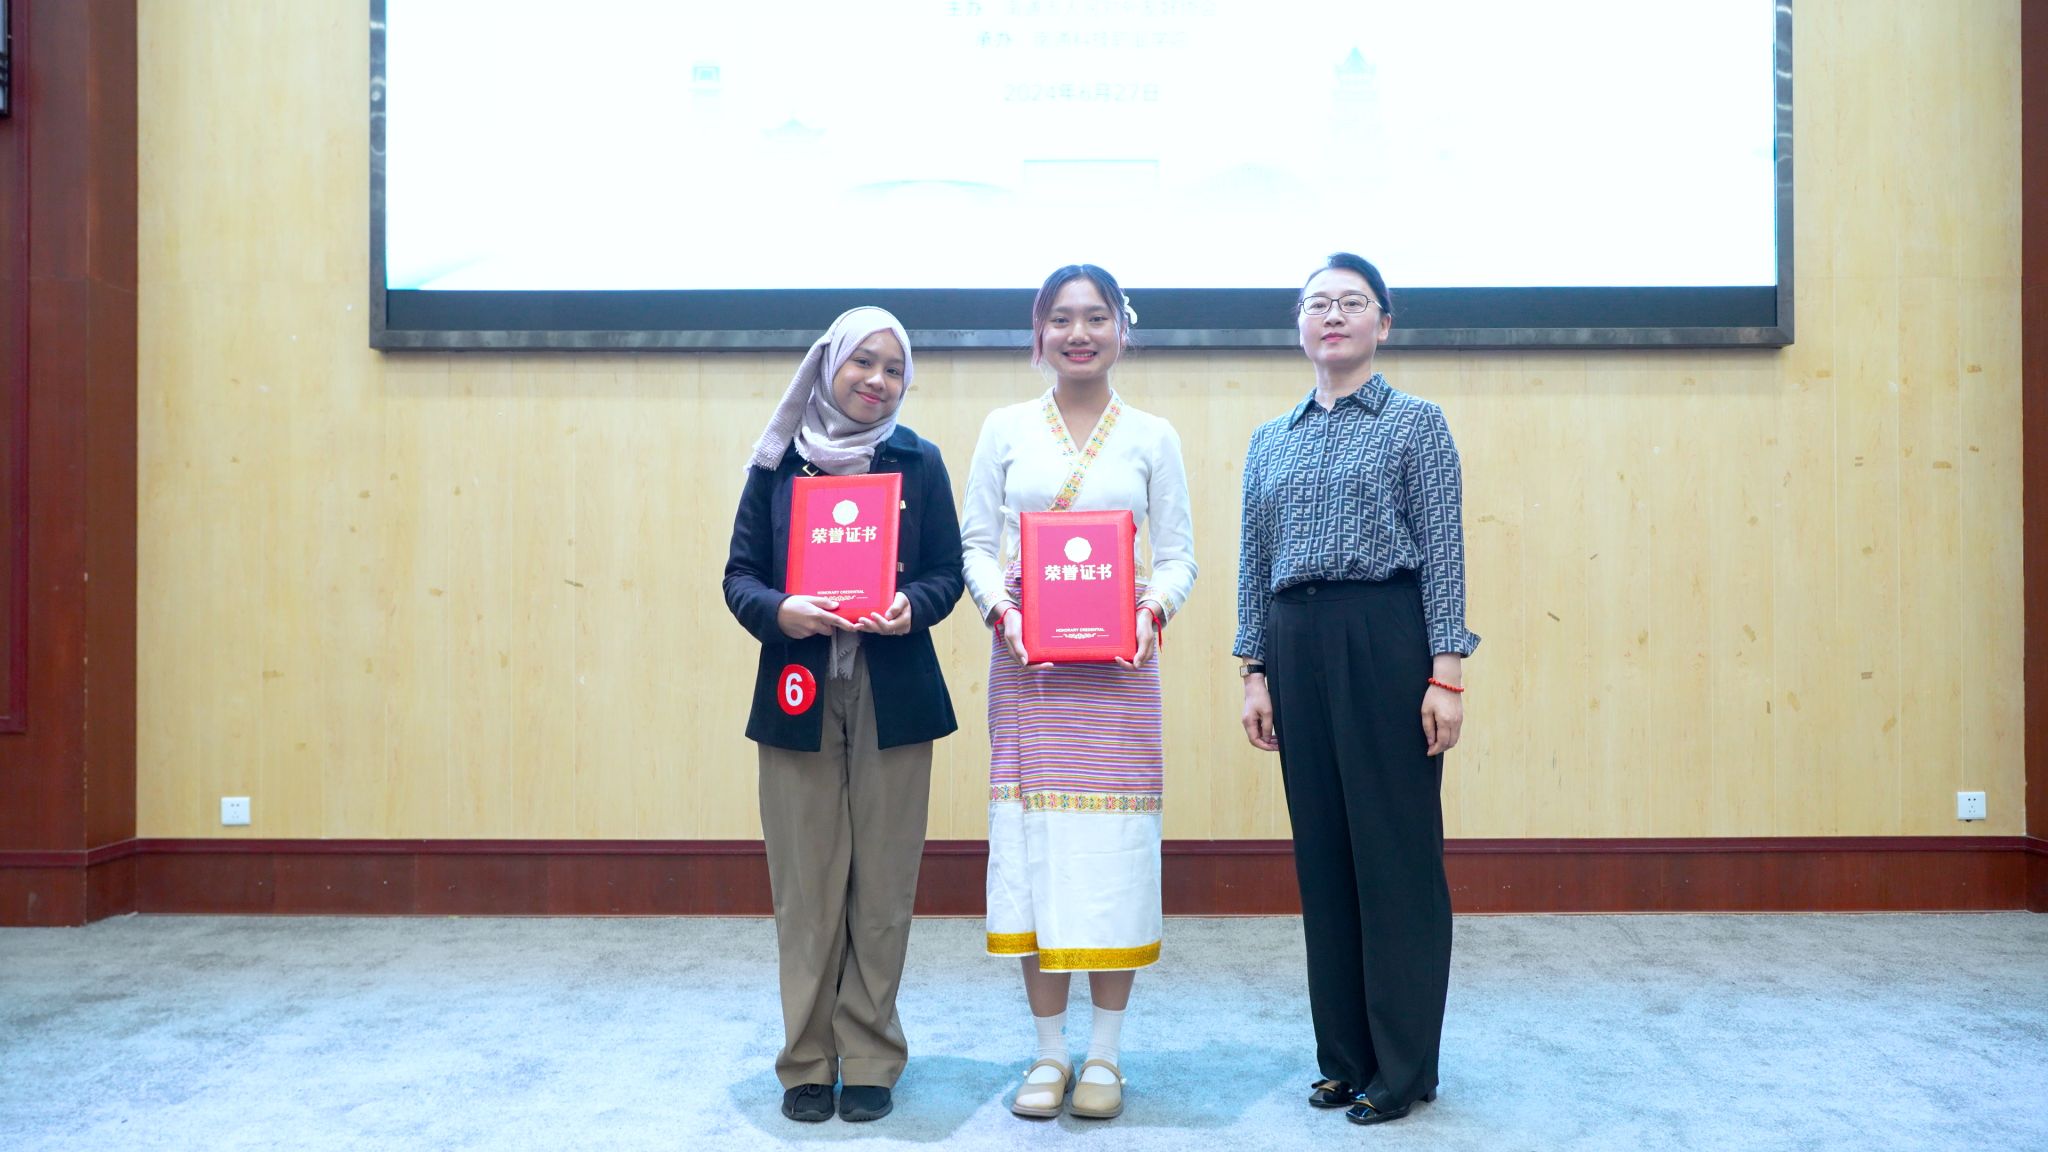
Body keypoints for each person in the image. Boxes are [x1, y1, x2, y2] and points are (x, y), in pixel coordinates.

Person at [1235, 253, 1479, 1126]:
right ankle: (1343, 1058)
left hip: (1383, 634)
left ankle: (1402, 1066)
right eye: (1317, 303)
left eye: (1351, 302)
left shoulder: (1416, 424)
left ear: (1383, 322)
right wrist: (1254, 671)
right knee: (1324, 855)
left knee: (1395, 856)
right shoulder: (1270, 438)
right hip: (1293, 641)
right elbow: (1254, 561)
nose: (1332, 315)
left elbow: (1442, 551)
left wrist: (1445, 673)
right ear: (1299, 324)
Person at [959, 264, 1197, 1121]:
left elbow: (1177, 555)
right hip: (1029, 668)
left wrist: (1151, 611)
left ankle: (1104, 1054)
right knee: (1035, 852)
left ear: (1121, 329)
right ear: (1039, 332)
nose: (1079, 333)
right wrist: (1003, 613)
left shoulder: (1153, 437)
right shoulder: (1004, 428)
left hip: (1120, 674)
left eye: (1095, 317)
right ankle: (1049, 1052)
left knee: (1111, 853)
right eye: (1061, 318)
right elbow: (975, 544)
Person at [722, 306, 964, 1124]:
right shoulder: (778, 462)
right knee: (807, 887)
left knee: (885, 884)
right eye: (863, 362)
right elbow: (739, 577)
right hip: (798, 692)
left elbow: (945, 572)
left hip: (895, 695)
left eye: (894, 369)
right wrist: (781, 610)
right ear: (828, 366)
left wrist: (911, 605)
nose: (877, 381)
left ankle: (868, 1055)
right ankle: (805, 1059)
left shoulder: (918, 460)